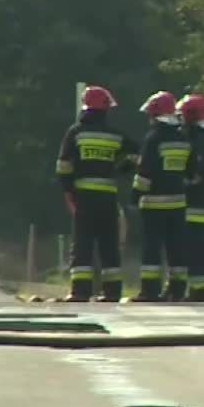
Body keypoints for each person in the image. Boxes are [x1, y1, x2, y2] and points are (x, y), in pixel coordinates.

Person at [55, 84, 140, 302]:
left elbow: (64, 166)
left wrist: (68, 192)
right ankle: (112, 292)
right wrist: (119, 171)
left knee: (82, 244)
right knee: (109, 244)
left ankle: (80, 291)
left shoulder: (75, 132)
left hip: (83, 197)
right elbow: (138, 155)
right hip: (108, 198)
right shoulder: (115, 135)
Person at [131, 90, 195, 301]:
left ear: (154, 115)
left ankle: (150, 291)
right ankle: (177, 290)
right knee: (177, 249)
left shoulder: (153, 139)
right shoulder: (183, 140)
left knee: (152, 250)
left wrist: (135, 196)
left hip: (153, 205)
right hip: (178, 205)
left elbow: (144, 173)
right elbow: (191, 173)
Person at [177, 93, 204, 301]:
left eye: (183, 115)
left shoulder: (200, 139)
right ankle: (194, 288)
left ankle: (199, 289)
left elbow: (199, 171)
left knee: (195, 246)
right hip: (193, 201)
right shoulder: (198, 136)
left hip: (195, 201)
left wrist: (183, 180)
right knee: (190, 246)